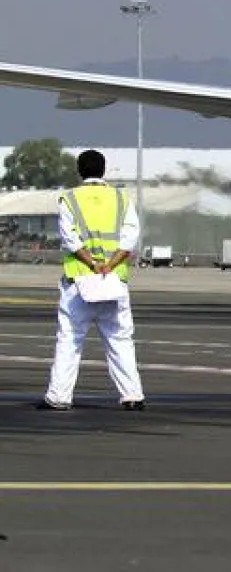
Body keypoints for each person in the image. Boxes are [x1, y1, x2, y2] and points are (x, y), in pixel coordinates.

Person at [37, 149, 146, 411]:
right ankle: (132, 395)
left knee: (70, 339)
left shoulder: (69, 199)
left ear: (79, 170)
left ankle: (59, 397)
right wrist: (109, 264)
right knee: (120, 339)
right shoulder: (122, 199)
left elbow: (70, 239)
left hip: (79, 282)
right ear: (104, 170)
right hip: (114, 280)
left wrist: (92, 263)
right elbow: (130, 238)